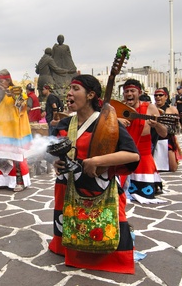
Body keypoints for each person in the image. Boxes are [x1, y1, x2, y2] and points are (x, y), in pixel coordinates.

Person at [48, 74, 140, 274]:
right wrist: (56, 161)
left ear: (90, 95)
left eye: (75, 89)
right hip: (67, 186)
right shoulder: (64, 125)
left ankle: (107, 258)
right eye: (69, 89)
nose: (69, 93)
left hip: (97, 187)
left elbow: (132, 155)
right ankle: (69, 250)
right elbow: (56, 152)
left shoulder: (108, 124)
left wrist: (97, 161)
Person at [0, 69, 33, 192]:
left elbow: (26, 105)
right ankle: (2, 181)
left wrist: (15, 96)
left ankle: (19, 182)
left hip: (13, 131)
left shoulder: (16, 90)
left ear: (8, 80)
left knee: (16, 157)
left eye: (2, 81)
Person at [118, 79, 168, 203]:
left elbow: (164, 133)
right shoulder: (118, 108)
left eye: (132, 91)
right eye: (126, 91)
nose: (129, 94)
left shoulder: (150, 108)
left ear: (139, 93)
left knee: (145, 194)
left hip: (143, 158)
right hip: (122, 156)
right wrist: (116, 121)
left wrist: (156, 125)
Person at [153, 88, 182, 172]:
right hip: (153, 138)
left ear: (166, 97)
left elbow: (177, 128)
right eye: (156, 95)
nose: (158, 97)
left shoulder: (172, 110)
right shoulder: (151, 108)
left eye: (160, 95)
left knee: (173, 168)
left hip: (167, 139)